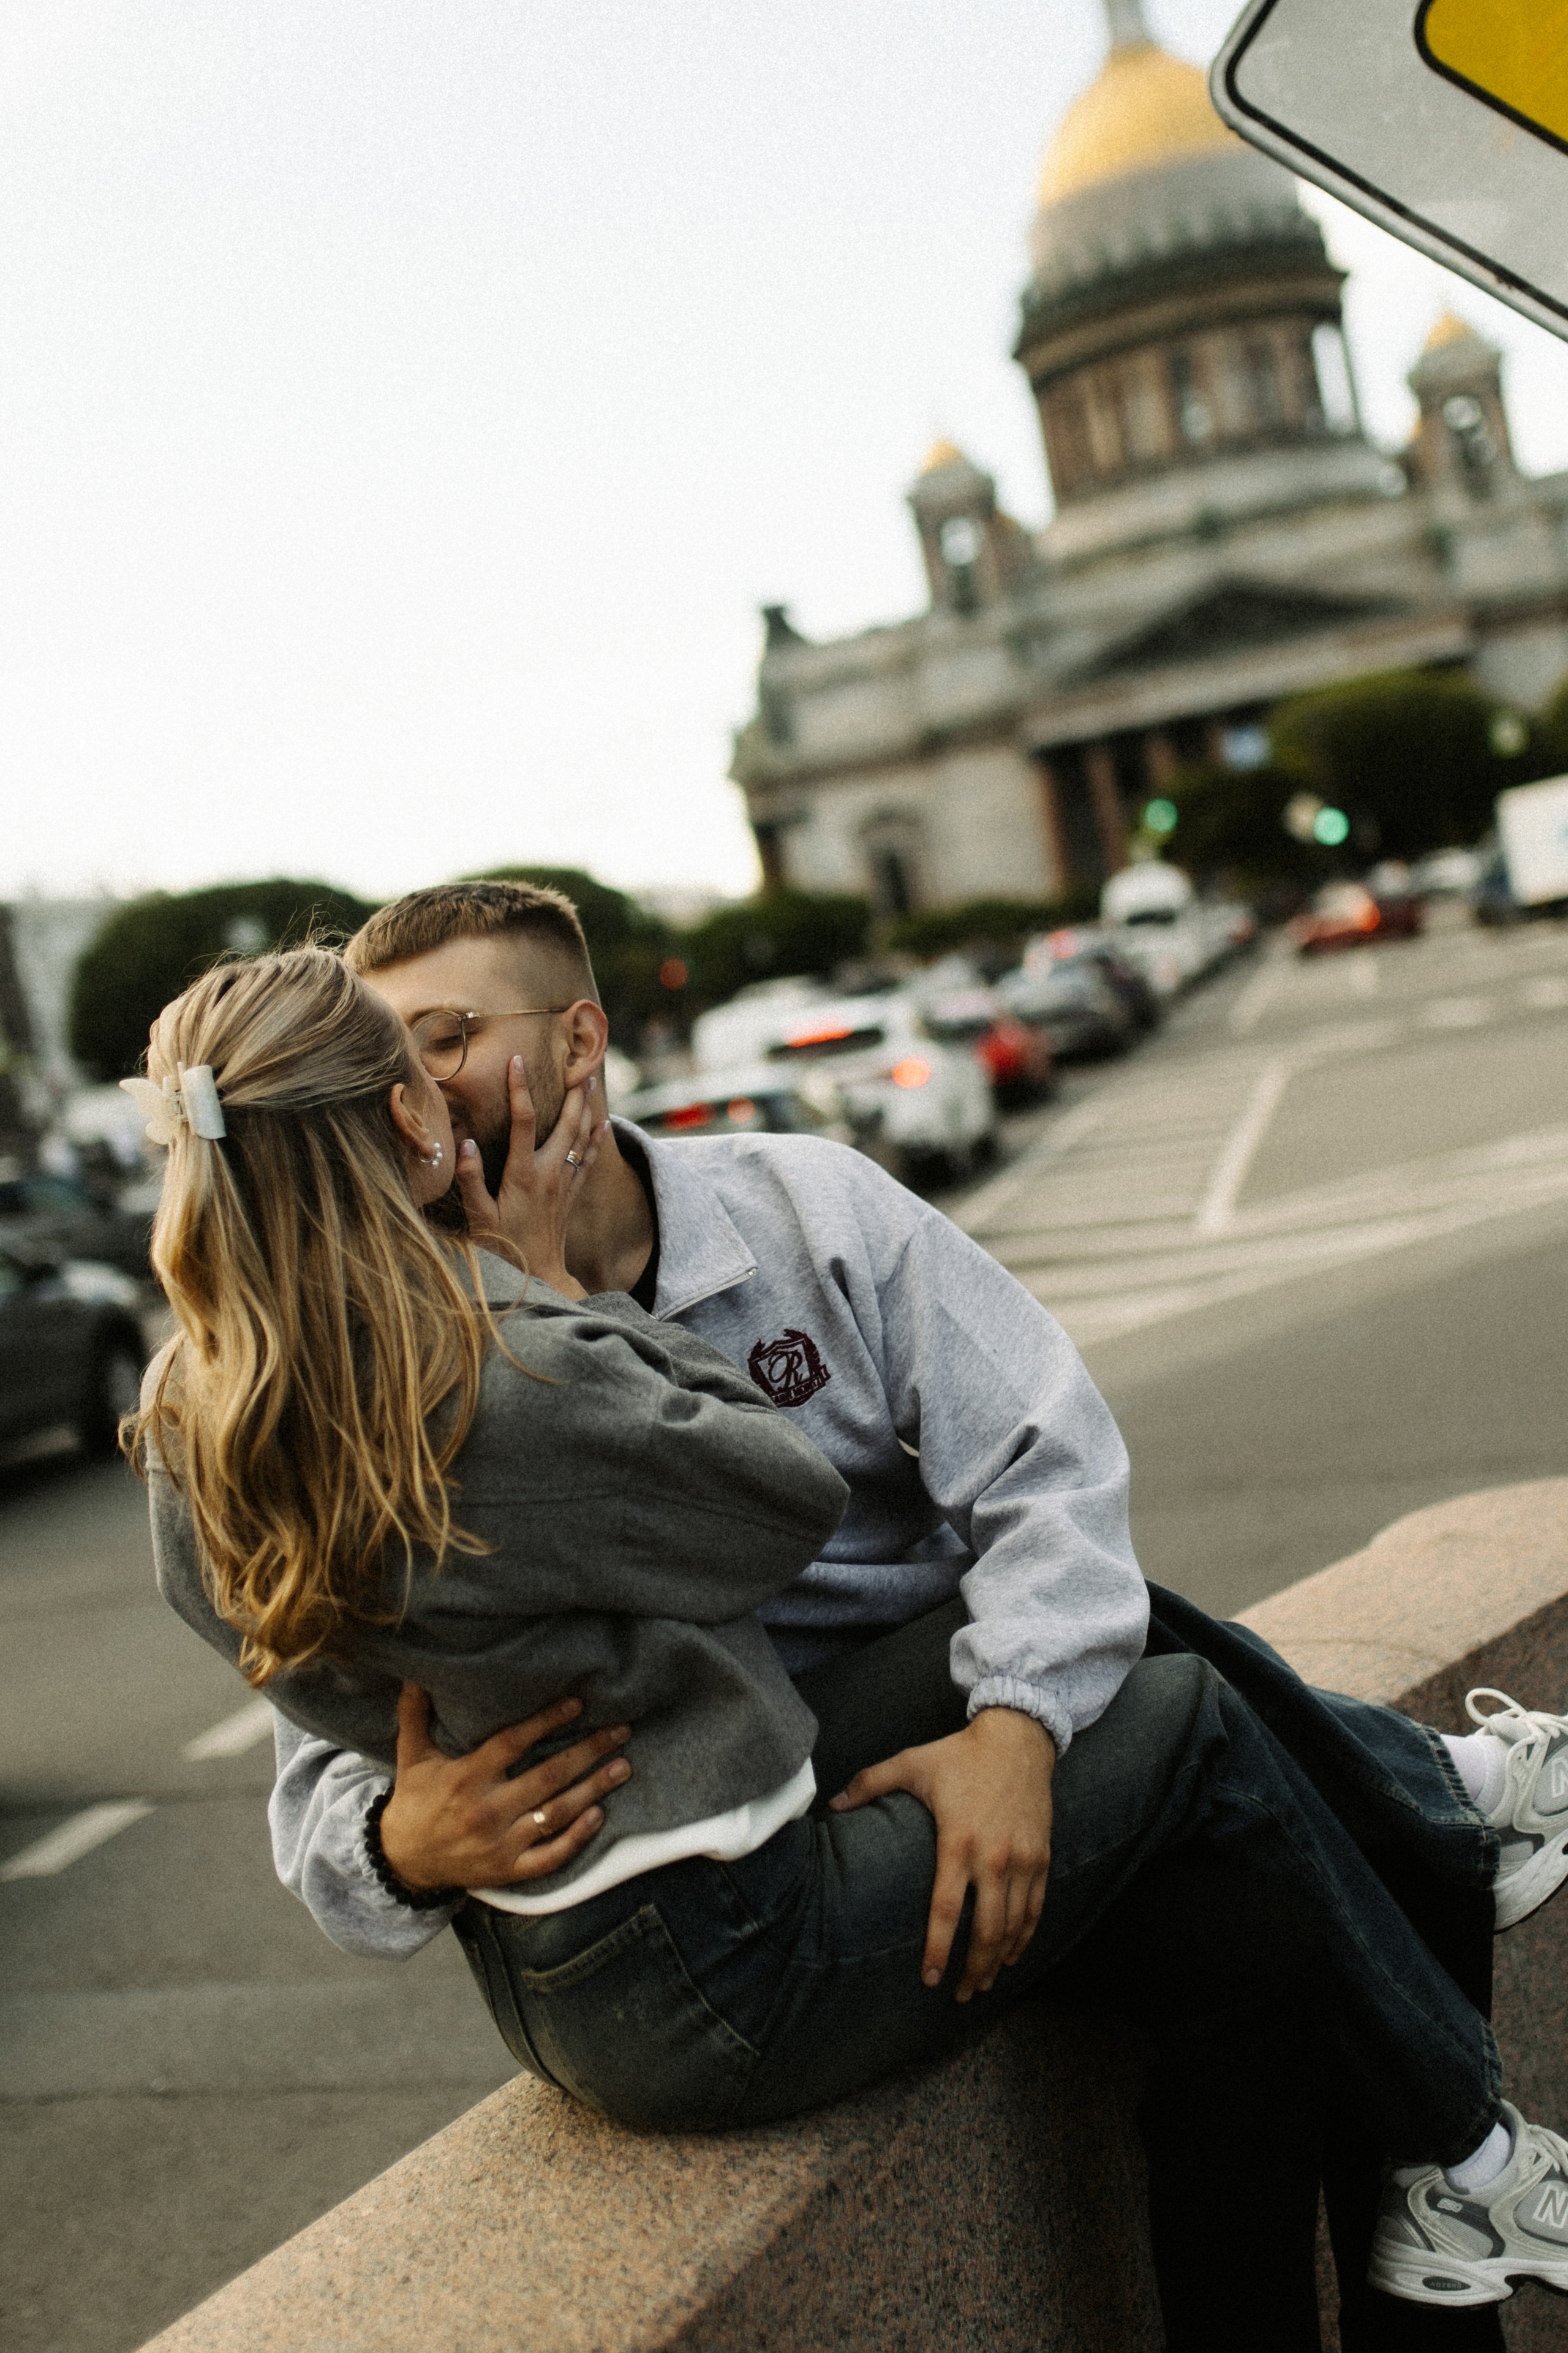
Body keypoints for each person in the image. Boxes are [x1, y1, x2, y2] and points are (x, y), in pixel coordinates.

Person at [134, 919, 1568, 2345]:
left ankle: (1427, 1857)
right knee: (1223, 1778)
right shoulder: (450, 1355)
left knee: (1235, 1883)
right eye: (405, 1059)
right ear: (373, 1118)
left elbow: (1046, 1473)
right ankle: (1462, 2088)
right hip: (723, 1886)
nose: (436, 1088)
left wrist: (1011, 1732)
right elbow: (748, 1523)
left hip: (789, 1787)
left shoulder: (788, 1212)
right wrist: (399, 1843)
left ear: (579, 1042)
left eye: (450, 1037)